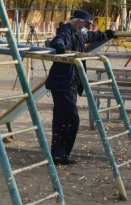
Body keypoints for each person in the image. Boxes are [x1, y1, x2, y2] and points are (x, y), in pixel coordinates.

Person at [45, 10, 115, 165]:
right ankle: (61, 154)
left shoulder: (79, 34)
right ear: (77, 22)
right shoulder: (67, 30)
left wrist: (106, 34)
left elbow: (92, 36)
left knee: (60, 120)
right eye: (86, 25)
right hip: (63, 83)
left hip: (70, 83)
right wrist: (60, 48)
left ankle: (57, 154)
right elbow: (58, 40)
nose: (87, 28)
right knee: (72, 120)